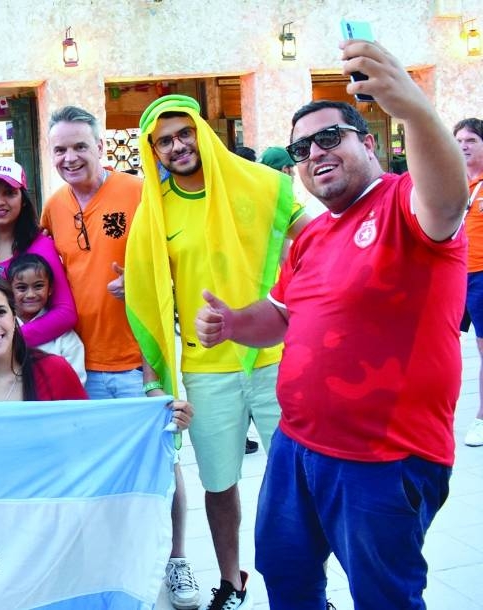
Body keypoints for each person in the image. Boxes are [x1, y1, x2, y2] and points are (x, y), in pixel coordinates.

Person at [194, 39, 467, 610]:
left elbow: (448, 199)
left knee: (384, 595)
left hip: (384, 458)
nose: (314, 152)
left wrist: (413, 108)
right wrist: (231, 323)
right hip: (297, 448)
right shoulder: (313, 235)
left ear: (368, 143)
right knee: (285, 575)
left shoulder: (406, 204)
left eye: (328, 137)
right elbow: (282, 319)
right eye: (301, 148)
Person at [125, 94, 312, 610]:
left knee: (302, 480)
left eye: (184, 133)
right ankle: (232, 582)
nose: (177, 145)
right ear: (153, 151)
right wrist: (154, 379)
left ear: (203, 133)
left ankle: (304, 590)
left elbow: (313, 242)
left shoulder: (259, 185)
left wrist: (304, 307)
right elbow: (145, 303)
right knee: (219, 485)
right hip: (207, 370)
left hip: (277, 355)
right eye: (164, 141)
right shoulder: (154, 215)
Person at [42, 105, 199, 610]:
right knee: (91, 470)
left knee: (162, 466)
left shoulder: (137, 191)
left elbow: (179, 261)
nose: (70, 157)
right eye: (60, 149)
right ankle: (108, 562)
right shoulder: (53, 208)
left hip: (139, 364)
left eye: (79, 146)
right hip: (80, 370)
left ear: (100, 146)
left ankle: (176, 560)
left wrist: (143, 282)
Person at [0, 158, 78, 347]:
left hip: (22, 356)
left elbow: (65, 313)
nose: (0, 201)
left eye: (9, 193)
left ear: (23, 199)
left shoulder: (41, 246)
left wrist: (9, 340)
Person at [7, 253, 86, 384]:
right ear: (9, 290)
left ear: (50, 289)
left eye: (38, 286)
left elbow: (75, 385)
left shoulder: (65, 338)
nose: (31, 294)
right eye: (21, 288)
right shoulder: (0, 329)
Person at [455, 117, 483, 447]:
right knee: (441, 344)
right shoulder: (456, 183)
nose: (463, 145)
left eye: (471, 140)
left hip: (481, 277)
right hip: (455, 276)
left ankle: (480, 418)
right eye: (459, 140)